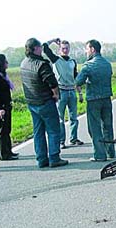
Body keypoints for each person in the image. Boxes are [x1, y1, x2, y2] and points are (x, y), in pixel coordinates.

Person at [20, 38, 68, 168]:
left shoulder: (23, 63)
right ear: (35, 48)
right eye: (40, 47)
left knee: (38, 131)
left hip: (32, 102)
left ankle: (41, 159)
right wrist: (56, 94)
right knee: (53, 130)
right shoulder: (41, 64)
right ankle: (54, 158)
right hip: (45, 101)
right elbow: (51, 81)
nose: (41, 49)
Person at [75, 39, 115, 162]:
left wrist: (86, 81)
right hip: (106, 98)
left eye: (87, 49)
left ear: (92, 49)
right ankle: (110, 151)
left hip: (93, 99)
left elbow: (78, 82)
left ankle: (99, 154)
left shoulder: (88, 65)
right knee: (108, 126)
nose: (86, 52)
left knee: (95, 127)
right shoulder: (107, 64)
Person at [43, 38, 84, 149]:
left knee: (74, 117)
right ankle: (61, 141)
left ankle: (73, 138)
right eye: (63, 48)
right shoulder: (56, 60)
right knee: (60, 118)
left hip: (71, 91)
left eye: (67, 48)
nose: (65, 50)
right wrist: (52, 41)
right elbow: (44, 47)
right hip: (61, 91)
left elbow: (76, 77)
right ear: (59, 50)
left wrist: (80, 93)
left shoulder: (72, 61)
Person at [0, 54, 18, 161]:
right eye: (5, 62)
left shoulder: (3, 75)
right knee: (3, 130)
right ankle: (3, 154)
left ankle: (8, 151)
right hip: (0, 107)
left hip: (7, 105)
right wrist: (0, 108)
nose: (7, 63)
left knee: (7, 129)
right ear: (0, 63)